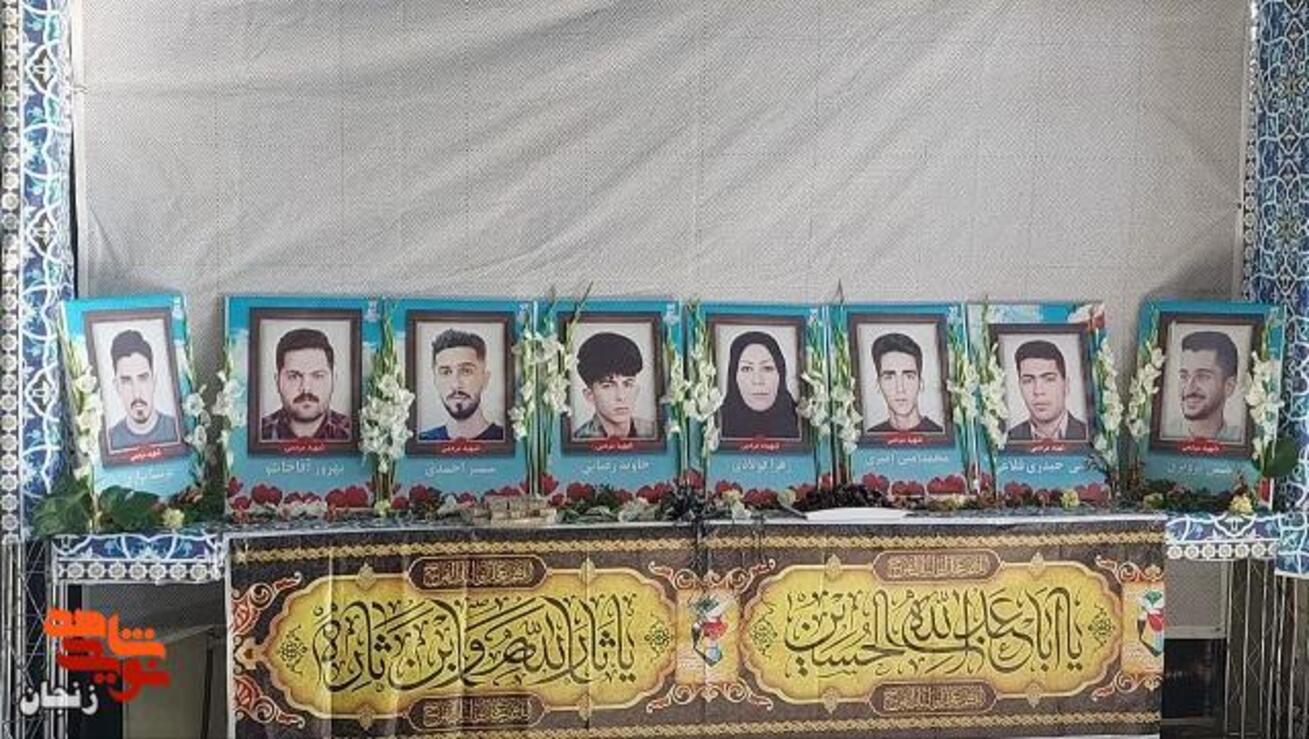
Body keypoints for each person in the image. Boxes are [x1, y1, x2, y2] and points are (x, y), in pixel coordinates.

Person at [259, 328, 351, 441]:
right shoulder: (257, 433)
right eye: (293, 376)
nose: (306, 388)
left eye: (318, 376)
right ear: (277, 381)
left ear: (334, 379)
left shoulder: (354, 433)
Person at [418, 329, 504, 442]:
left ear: (485, 379)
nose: (455, 384)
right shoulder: (424, 440)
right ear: (435, 381)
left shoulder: (504, 439)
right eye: (446, 372)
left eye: (466, 371)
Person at [572, 332, 657, 439]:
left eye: (627, 384)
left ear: (636, 390)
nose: (621, 396)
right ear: (589, 396)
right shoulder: (579, 440)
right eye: (608, 386)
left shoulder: (654, 433)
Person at [105, 329, 179, 450]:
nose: (137, 394)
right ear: (117, 387)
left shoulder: (178, 430)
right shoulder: (109, 441)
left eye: (143, 378)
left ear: (153, 381)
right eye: (127, 381)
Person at [720, 330, 800, 440]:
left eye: (767, 368)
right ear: (733, 376)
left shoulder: (802, 418)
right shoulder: (715, 423)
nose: (757, 380)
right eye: (747, 369)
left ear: (781, 374)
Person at [1007, 339, 1087, 442]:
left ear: (1066, 385)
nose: (1038, 391)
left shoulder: (1091, 436)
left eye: (1049, 379)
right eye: (1028, 381)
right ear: (1020, 387)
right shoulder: (1007, 440)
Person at [866, 332, 943, 434]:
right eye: (889, 377)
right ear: (878, 385)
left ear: (921, 384)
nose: (900, 389)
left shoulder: (939, 434)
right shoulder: (870, 436)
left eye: (909, 377)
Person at [1174, 330, 1242, 442]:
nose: (1189, 387)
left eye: (1202, 376)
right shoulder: (1161, 434)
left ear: (1229, 386)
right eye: (1184, 376)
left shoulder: (1242, 439)